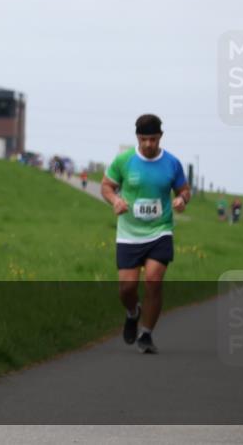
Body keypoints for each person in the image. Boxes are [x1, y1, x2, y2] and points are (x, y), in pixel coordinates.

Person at [101, 114, 190, 354]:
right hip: (129, 233)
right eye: (144, 139)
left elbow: (184, 189)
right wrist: (115, 200)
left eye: (153, 139)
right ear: (137, 138)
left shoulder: (172, 163)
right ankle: (132, 313)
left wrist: (181, 199)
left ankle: (147, 334)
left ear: (160, 136)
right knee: (127, 288)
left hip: (160, 230)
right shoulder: (124, 160)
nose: (148, 144)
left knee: (153, 280)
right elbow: (106, 186)